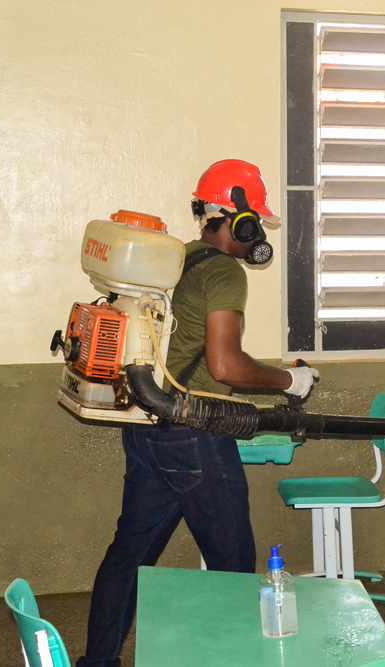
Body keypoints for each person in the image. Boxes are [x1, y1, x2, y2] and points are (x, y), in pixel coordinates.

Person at [76, 159, 316, 667]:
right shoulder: (225, 272)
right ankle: (236, 658)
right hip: (192, 435)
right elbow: (226, 365)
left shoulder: (179, 260)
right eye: (255, 226)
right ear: (240, 219)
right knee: (232, 563)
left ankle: (98, 662)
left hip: (147, 428)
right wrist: (288, 379)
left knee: (130, 555)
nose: (256, 239)